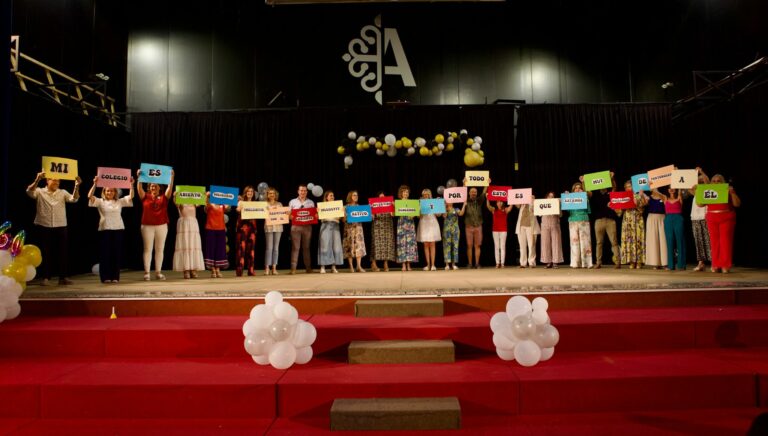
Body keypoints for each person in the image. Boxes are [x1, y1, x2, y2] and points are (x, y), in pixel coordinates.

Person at [26, 172, 81, 286]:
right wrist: (37, 179)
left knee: (62, 252)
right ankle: (46, 277)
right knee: (46, 252)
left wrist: (77, 185)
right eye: (53, 180)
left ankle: (63, 277)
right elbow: (29, 192)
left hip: (61, 225)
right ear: (47, 181)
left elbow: (74, 199)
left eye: (58, 180)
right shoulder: (40, 191)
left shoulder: (62, 192)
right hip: (44, 225)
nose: (56, 182)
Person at [87, 176, 133, 283]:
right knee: (105, 254)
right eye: (107, 190)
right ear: (104, 192)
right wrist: (95, 183)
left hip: (118, 229)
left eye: (111, 191)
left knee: (116, 254)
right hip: (105, 230)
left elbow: (131, 196)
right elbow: (89, 196)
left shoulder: (119, 202)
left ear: (115, 192)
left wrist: (131, 184)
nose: (109, 192)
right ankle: (106, 277)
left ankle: (115, 277)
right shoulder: (100, 201)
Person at [136, 169, 174, 281]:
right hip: (147, 226)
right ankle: (147, 272)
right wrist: (139, 177)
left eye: (156, 186)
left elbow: (169, 188)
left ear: (159, 188)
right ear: (149, 187)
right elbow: (139, 188)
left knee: (160, 249)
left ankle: (158, 272)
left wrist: (171, 177)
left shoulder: (164, 197)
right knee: (147, 249)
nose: (154, 188)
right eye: (152, 186)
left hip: (161, 226)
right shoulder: (145, 197)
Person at [705, 174, 740, 273]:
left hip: (726, 218)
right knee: (714, 242)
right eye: (714, 181)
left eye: (718, 181)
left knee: (725, 241)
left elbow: (737, 204)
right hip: (712, 218)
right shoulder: (708, 191)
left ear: (723, 182)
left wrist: (732, 193)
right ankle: (715, 264)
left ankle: (725, 265)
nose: (716, 182)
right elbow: (700, 204)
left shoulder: (727, 190)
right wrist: (697, 191)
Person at [591, 172, 620, 268]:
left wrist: (612, 178)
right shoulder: (595, 194)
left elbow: (615, 188)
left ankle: (618, 262)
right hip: (598, 221)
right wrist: (583, 182)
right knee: (599, 242)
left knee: (614, 242)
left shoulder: (610, 193)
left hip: (610, 220)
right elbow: (587, 192)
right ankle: (598, 262)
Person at [618, 181, 648, 269]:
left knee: (638, 239)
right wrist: (614, 206)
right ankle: (631, 261)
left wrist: (640, 198)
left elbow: (643, 206)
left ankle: (639, 261)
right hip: (627, 220)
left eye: (629, 186)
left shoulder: (639, 195)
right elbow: (619, 212)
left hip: (637, 220)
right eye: (626, 187)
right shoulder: (624, 197)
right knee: (629, 240)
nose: (628, 188)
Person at [172, 198, 204, 280]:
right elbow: (176, 203)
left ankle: (193, 269)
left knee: (193, 245)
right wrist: (175, 196)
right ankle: (186, 270)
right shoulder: (180, 201)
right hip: (183, 224)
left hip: (193, 224)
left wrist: (204, 195)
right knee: (185, 246)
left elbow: (201, 202)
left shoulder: (194, 201)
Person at [288, 184, 315, 274]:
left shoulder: (311, 202)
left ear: (307, 192)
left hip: (307, 227)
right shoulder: (292, 202)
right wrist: (292, 216)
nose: (303, 192)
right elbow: (289, 215)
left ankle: (308, 268)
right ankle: (293, 268)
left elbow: (314, 215)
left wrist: (316, 215)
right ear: (298, 191)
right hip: (295, 227)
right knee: (295, 247)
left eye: (304, 191)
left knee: (306, 248)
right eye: (301, 190)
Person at [658, 187, 686, 271]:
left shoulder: (679, 197)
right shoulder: (665, 198)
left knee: (680, 241)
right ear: (667, 190)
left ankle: (681, 265)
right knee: (669, 241)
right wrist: (652, 185)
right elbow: (656, 193)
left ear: (676, 189)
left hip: (678, 219)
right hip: (668, 219)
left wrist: (680, 188)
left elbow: (681, 188)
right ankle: (671, 265)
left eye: (673, 188)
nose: (671, 189)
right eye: (669, 188)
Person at [689, 167, 711, 271]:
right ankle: (701, 263)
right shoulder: (695, 191)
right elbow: (688, 187)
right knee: (698, 240)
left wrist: (702, 172)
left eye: (701, 180)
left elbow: (707, 182)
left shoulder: (707, 190)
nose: (700, 181)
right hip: (695, 218)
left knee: (708, 240)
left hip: (706, 217)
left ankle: (714, 262)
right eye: (699, 180)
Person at [463, 179, 489, 268]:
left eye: (475, 192)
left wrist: (487, 183)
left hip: (478, 226)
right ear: (469, 193)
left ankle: (477, 263)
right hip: (468, 226)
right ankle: (470, 264)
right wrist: (464, 183)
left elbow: (484, 193)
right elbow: (463, 192)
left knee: (477, 245)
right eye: (472, 192)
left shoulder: (479, 201)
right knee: (469, 246)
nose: (473, 193)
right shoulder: (466, 200)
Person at [567, 180, 593, 269]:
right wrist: (566, 197)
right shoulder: (569, 197)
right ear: (573, 190)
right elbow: (567, 209)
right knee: (574, 243)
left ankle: (586, 263)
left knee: (585, 242)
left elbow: (588, 208)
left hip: (583, 219)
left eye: (579, 188)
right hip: (573, 220)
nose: (578, 189)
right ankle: (575, 263)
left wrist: (584, 196)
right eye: (576, 188)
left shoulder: (585, 196)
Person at [204, 192, 230, 278]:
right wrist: (207, 196)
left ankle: (218, 269)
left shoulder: (222, 205)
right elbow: (206, 206)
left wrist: (235, 198)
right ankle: (212, 270)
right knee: (211, 249)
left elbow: (229, 205)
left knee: (219, 250)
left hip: (221, 229)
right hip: (210, 229)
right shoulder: (210, 204)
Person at [318, 190, 343, 274]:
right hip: (325, 225)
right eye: (331, 196)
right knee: (324, 246)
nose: (332, 197)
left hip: (335, 225)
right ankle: (323, 266)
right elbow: (318, 217)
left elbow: (340, 218)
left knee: (336, 246)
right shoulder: (322, 206)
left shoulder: (337, 205)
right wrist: (318, 212)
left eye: (333, 195)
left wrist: (341, 211)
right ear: (326, 197)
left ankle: (333, 266)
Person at [416, 188, 441, 271]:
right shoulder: (420, 203)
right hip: (424, 223)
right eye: (424, 195)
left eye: (427, 194)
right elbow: (419, 216)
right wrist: (420, 208)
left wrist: (439, 204)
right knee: (426, 244)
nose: (426, 196)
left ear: (430, 195)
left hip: (432, 223)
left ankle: (433, 265)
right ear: (422, 196)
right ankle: (428, 264)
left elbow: (438, 214)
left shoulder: (433, 202)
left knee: (432, 244)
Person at [235, 185, 258, 276]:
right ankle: (239, 270)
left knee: (251, 250)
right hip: (242, 228)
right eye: (248, 191)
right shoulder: (241, 202)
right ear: (245, 192)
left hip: (252, 228)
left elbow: (261, 212)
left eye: (251, 192)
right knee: (241, 249)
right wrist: (239, 209)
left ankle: (250, 270)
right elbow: (237, 209)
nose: (250, 193)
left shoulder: (255, 203)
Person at [370, 191, 396, 272]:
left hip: (387, 225)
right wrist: (371, 210)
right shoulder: (374, 204)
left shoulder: (389, 204)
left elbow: (393, 215)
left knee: (387, 245)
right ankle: (373, 264)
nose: (382, 199)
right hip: (377, 226)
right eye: (380, 197)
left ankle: (386, 264)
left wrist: (394, 206)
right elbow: (372, 218)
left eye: (383, 197)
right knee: (376, 245)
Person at [343, 190, 367, 273]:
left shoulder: (359, 206)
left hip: (358, 229)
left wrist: (369, 213)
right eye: (354, 195)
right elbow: (343, 220)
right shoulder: (345, 207)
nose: (356, 197)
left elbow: (365, 216)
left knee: (359, 247)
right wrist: (344, 216)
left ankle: (359, 266)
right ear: (350, 196)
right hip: (349, 229)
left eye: (356, 195)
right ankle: (351, 266)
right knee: (349, 247)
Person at [396, 184, 418, 271]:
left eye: (407, 192)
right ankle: (403, 265)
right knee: (402, 244)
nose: (406, 193)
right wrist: (393, 206)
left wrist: (414, 213)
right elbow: (394, 214)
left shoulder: (412, 202)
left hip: (410, 224)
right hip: (401, 224)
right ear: (401, 193)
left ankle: (409, 265)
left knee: (410, 244)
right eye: (404, 192)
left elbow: (414, 214)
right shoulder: (398, 202)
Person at [486, 199, 513, 268]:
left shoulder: (505, 209)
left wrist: (512, 198)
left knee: (502, 246)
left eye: (501, 202)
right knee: (497, 247)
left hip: (503, 230)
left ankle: (502, 263)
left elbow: (510, 206)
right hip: (495, 230)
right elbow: (488, 206)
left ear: (503, 203)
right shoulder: (494, 210)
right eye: (498, 202)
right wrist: (487, 199)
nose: (499, 203)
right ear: (496, 203)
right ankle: (497, 263)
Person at [513, 198, 540, 268]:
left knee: (531, 245)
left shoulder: (533, 202)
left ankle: (532, 262)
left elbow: (538, 210)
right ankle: (523, 263)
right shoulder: (522, 203)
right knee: (522, 246)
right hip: (521, 226)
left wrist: (532, 201)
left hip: (531, 226)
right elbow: (517, 205)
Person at [539, 191, 564, 269]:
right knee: (545, 243)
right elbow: (539, 214)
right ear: (546, 198)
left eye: (552, 196)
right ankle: (548, 262)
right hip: (545, 225)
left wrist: (558, 207)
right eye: (549, 196)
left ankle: (555, 262)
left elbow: (561, 215)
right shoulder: (542, 204)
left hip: (555, 225)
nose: (551, 198)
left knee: (556, 243)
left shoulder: (556, 204)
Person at [263, 187, 283, 275]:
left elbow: (282, 215)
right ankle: (267, 267)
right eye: (270, 193)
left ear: (275, 195)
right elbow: (262, 215)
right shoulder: (264, 204)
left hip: (278, 227)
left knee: (276, 248)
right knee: (269, 248)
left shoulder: (279, 204)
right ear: (267, 195)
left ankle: (274, 267)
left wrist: (286, 213)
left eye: (273, 193)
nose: (272, 195)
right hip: (269, 227)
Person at [647, 190, 668, 270]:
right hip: (652, 218)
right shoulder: (649, 197)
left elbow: (666, 203)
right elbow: (643, 202)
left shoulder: (663, 196)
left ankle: (665, 263)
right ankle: (655, 263)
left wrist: (658, 193)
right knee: (653, 240)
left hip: (662, 218)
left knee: (663, 240)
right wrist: (641, 193)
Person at [441, 201, 466, 270]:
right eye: (448, 202)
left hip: (455, 230)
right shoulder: (444, 209)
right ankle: (447, 264)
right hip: (447, 230)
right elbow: (444, 216)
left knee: (455, 246)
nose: (449, 203)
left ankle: (453, 264)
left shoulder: (456, 209)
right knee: (447, 246)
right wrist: (445, 207)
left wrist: (464, 205)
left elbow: (461, 213)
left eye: (450, 202)